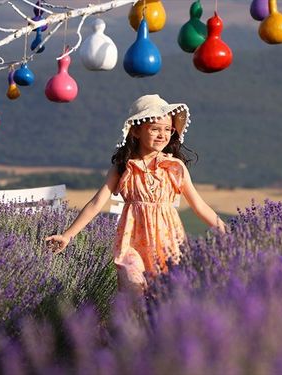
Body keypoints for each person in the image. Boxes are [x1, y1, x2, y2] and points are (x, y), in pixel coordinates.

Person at [45, 94, 227, 296]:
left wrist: (226, 232)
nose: (162, 135)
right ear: (136, 131)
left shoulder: (174, 167)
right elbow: (96, 203)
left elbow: (199, 206)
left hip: (168, 242)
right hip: (131, 241)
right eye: (155, 129)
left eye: (168, 129)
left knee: (166, 295)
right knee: (133, 288)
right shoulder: (123, 167)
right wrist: (67, 235)